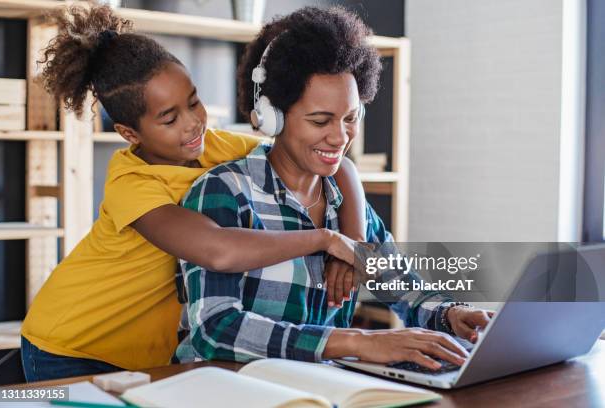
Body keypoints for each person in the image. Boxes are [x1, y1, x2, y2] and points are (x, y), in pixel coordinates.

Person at [20, 4, 368, 382]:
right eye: (169, 118)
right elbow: (218, 250)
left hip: (145, 354)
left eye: (194, 102)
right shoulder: (133, 186)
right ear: (129, 133)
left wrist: (354, 246)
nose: (192, 125)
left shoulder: (212, 144)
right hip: (69, 345)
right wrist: (325, 240)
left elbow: (340, 165)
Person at [176, 6, 493, 370]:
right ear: (270, 115)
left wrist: (452, 315)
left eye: (350, 118)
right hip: (223, 389)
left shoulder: (343, 202)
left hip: (318, 387)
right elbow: (214, 329)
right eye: (320, 120)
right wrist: (358, 342)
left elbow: (402, 285)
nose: (340, 137)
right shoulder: (225, 191)